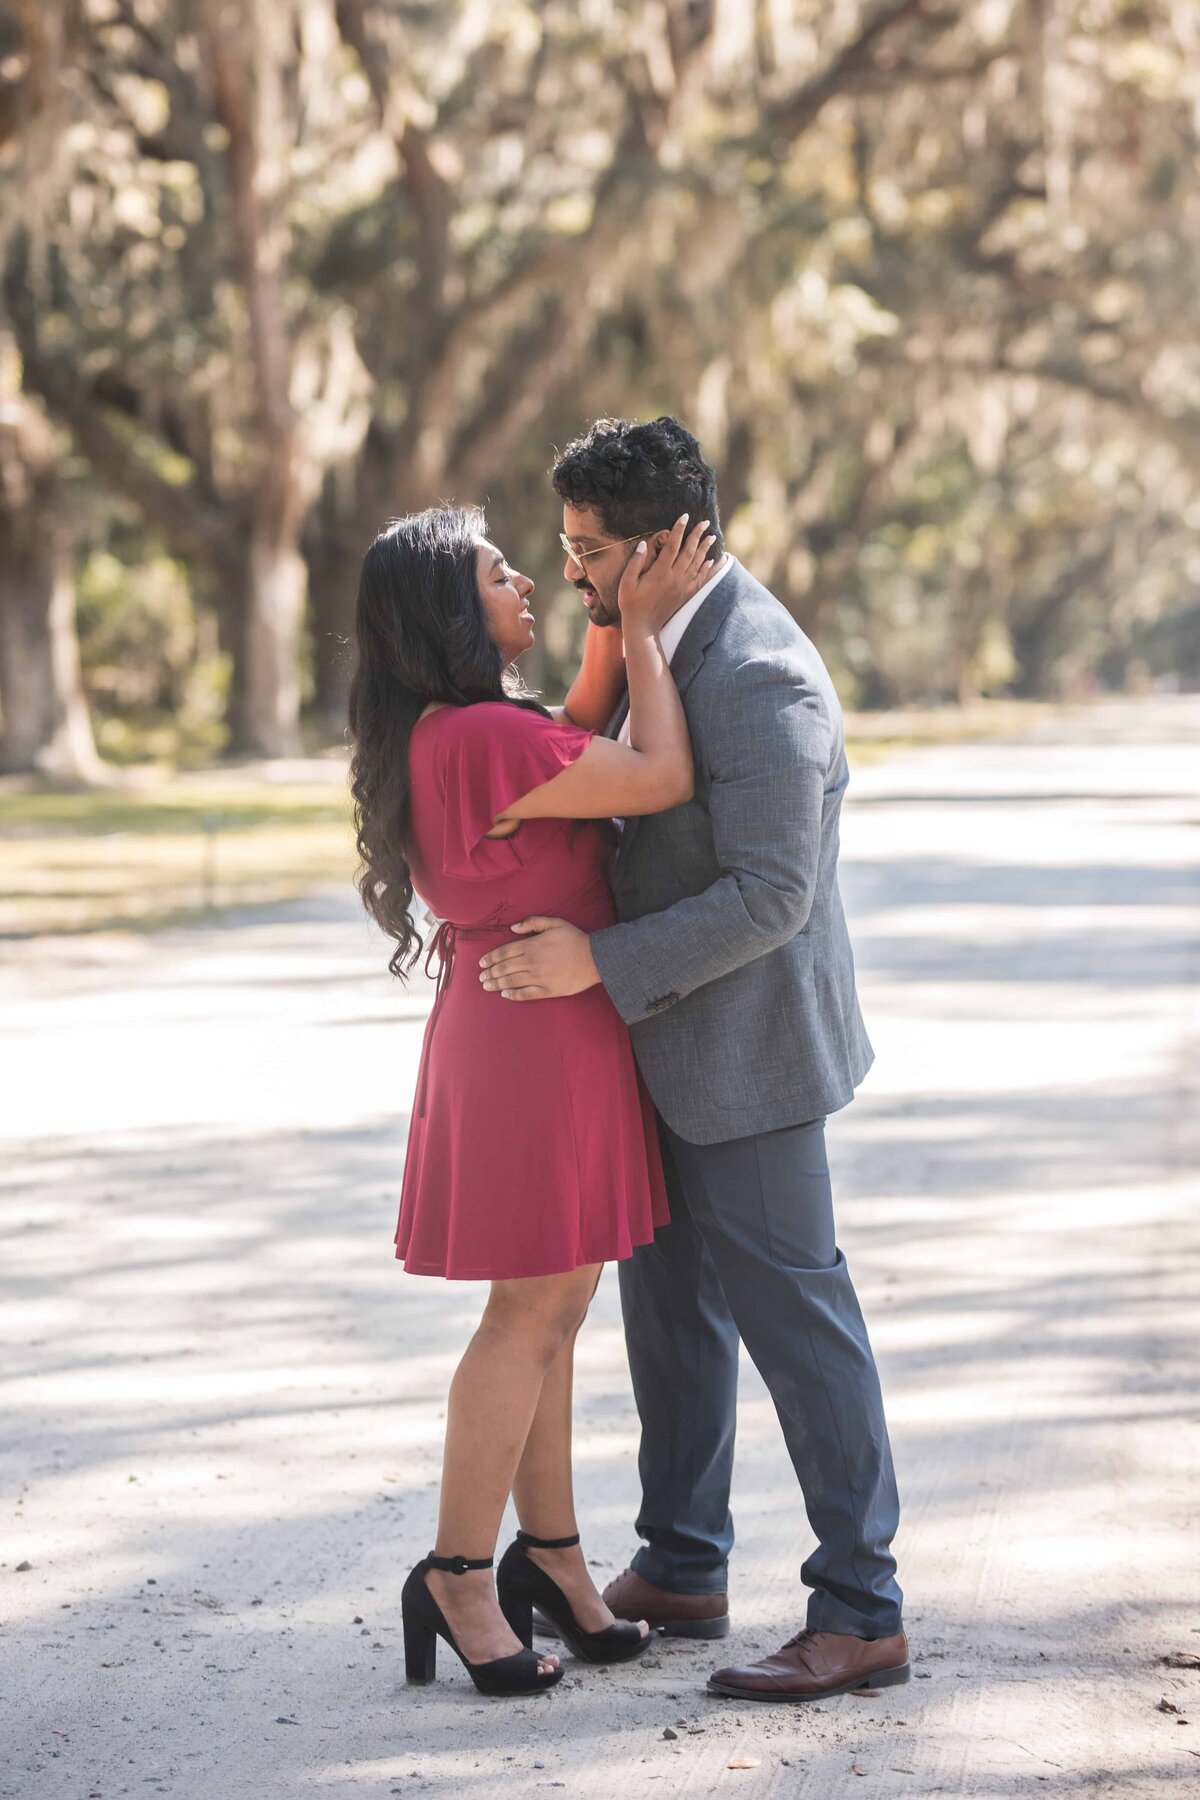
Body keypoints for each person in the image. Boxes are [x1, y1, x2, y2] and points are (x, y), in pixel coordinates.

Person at [478, 416, 908, 1703]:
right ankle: (683, 1560)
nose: (574, 580)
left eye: (592, 553)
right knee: (671, 1320)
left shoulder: (761, 672)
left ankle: (863, 1610)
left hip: (751, 1059)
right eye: (563, 551)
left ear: (670, 542)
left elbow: (774, 895)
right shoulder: (664, 641)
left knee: (800, 1321)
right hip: (654, 1059)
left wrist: (599, 968)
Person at [348, 503, 716, 1698]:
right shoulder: (482, 741)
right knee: (531, 1314)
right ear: (456, 614)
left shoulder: (458, 732)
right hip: (534, 1041)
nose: (529, 588)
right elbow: (655, 772)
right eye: (503, 575)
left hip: (533, 1030)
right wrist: (650, 629)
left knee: (555, 1309)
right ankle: (458, 1572)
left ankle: (550, 1557)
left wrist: (615, 618)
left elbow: (568, 728)